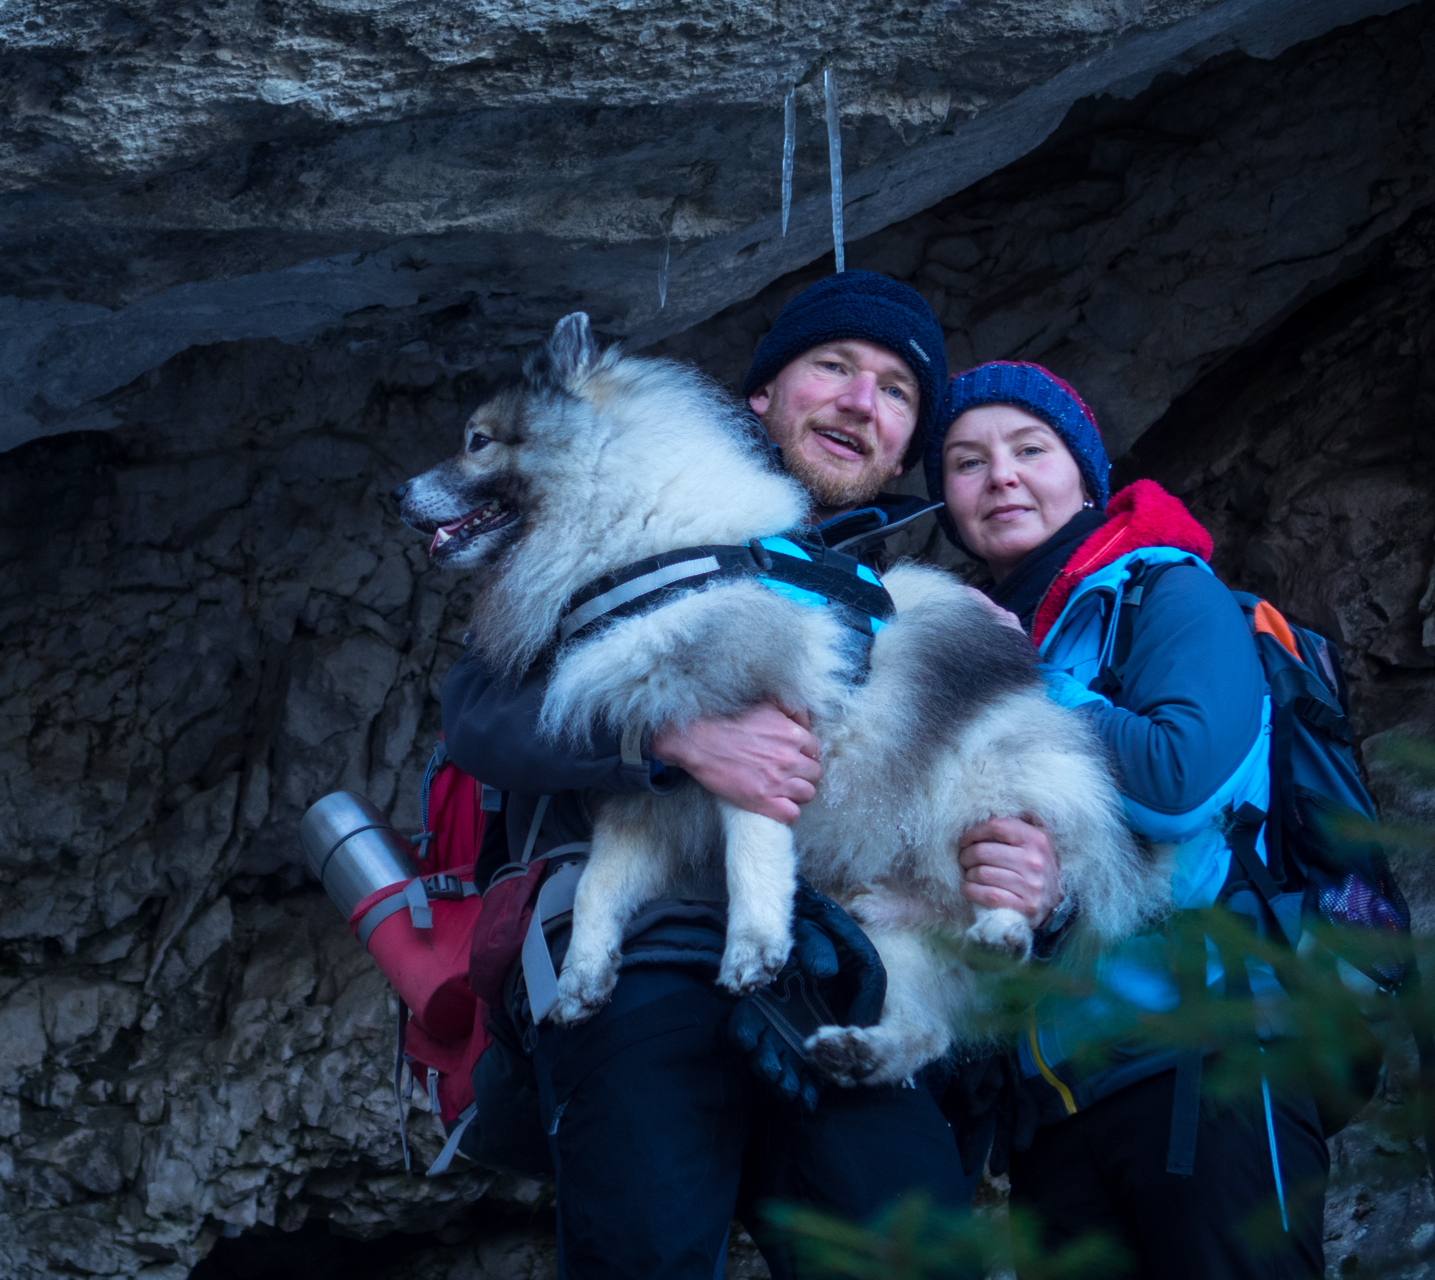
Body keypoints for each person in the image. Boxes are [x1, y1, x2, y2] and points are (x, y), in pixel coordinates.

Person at [442, 272, 1063, 1279]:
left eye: (897, 390)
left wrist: (1021, 862)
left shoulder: (899, 603)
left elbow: (974, 801)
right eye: (834, 366)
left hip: (838, 968)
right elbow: (477, 713)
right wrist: (668, 739)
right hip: (637, 956)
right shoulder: (614, 528)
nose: (862, 401)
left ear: (906, 449)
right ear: (759, 398)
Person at [924, 360, 1327, 1278]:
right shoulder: (962, 643)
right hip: (1053, 1107)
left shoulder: (1162, 591)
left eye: (1031, 449)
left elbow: (1179, 783)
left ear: (1084, 471)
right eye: (966, 461)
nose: (1002, 477)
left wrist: (1016, 674)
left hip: (1206, 1062)